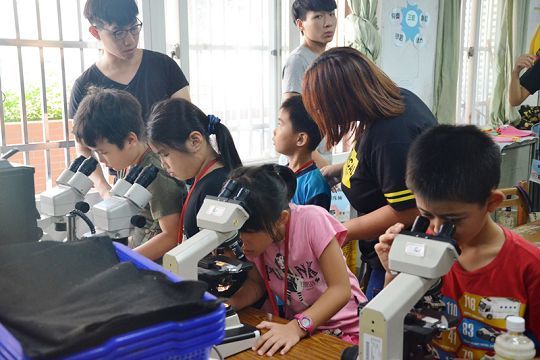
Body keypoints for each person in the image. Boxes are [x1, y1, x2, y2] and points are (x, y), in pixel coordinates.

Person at [375, 124, 540, 359]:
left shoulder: (529, 267)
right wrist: (394, 271)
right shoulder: (423, 249)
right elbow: (395, 323)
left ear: (492, 203)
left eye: (453, 220)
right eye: (426, 216)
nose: (437, 228)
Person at [302, 46, 437, 300]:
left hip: (401, 259)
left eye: (321, 108)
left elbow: (409, 208)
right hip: (384, 254)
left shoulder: (392, 133)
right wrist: (342, 170)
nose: (321, 115)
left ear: (341, 100)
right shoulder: (393, 103)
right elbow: (382, 163)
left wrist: (339, 230)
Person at [226, 164, 366, 356]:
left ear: (281, 219)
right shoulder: (258, 239)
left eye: (248, 232)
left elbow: (340, 290)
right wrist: (228, 305)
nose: (242, 240)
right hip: (302, 330)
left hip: (347, 330)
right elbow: (256, 284)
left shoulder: (312, 220)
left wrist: (298, 327)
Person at [70, 0, 191, 199]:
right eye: (118, 33)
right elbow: (83, 147)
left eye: (134, 28)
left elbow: (186, 120)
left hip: (171, 178)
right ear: (95, 32)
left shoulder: (163, 66)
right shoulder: (84, 84)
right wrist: (105, 190)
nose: (130, 40)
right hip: (124, 184)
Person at [72, 87, 186, 261]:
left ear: (130, 140)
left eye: (104, 152)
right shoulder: (129, 163)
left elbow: (172, 236)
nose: (101, 160)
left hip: (156, 267)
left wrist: (125, 262)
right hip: (138, 252)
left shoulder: (155, 173)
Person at [146, 98, 242, 242]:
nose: (163, 164)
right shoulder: (205, 179)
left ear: (195, 141)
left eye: (165, 154)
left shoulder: (215, 188)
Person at [282, 0, 337, 168]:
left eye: (331, 14)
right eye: (318, 17)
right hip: (303, 162)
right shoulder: (298, 61)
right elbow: (292, 122)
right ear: (300, 24)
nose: (328, 23)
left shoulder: (328, 59)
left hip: (320, 158)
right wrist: (322, 165)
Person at [274, 95, 331, 210]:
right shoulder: (280, 174)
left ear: (300, 139)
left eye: (280, 124)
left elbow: (315, 226)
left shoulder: (314, 185)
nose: (275, 131)